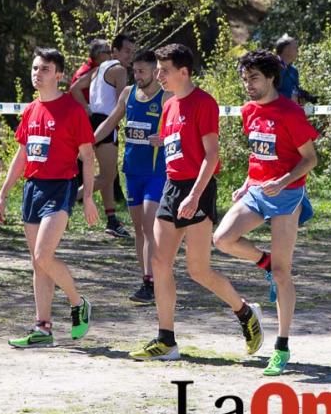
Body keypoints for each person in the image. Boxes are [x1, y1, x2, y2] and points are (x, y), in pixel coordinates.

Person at [129, 43, 263, 362]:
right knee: (160, 262)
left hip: (197, 189)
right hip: (172, 187)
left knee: (198, 270)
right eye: (158, 70)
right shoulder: (170, 105)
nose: (158, 75)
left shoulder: (204, 103)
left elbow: (212, 155)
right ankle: (166, 340)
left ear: (183, 72)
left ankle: (245, 313)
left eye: (164, 70)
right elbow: (176, 143)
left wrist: (194, 195)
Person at [212, 50, 318, 376]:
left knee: (285, 275)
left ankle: (282, 346)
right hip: (257, 190)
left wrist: (284, 180)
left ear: (271, 78)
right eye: (245, 79)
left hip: (286, 196)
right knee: (222, 239)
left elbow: (309, 159)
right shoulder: (248, 111)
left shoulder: (289, 112)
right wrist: (247, 183)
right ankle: (265, 262)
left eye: (254, 78)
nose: (249, 85)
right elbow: (260, 152)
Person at [0, 47, 98, 348]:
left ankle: (78, 303)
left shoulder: (73, 110)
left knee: (43, 255)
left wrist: (88, 197)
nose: (37, 74)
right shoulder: (29, 110)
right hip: (33, 189)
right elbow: (22, 155)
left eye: (45, 69)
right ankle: (43, 328)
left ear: (60, 75)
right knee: (38, 264)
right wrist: (2, 195)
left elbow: (88, 157)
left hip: (60, 187)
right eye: (35, 68)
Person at [93, 49, 170, 304]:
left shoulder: (166, 95)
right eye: (134, 71)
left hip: (156, 172)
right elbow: (111, 120)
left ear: (155, 71)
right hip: (132, 171)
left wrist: (167, 138)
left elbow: (183, 127)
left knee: (150, 226)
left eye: (142, 71)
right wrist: (90, 141)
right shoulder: (127, 94)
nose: (137, 76)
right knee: (139, 229)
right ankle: (146, 280)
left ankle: (156, 281)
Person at [71, 33, 137, 238]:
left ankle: (111, 219)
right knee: (108, 175)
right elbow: (121, 104)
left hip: (95, 121)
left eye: (133, 52)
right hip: (108, 123)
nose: (130, 56)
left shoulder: (99, 68)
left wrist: (88, 109)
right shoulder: (119, 70)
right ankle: (67, 198)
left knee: (107, 175)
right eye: (126, 51)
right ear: (114, 51)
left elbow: (74, 88)